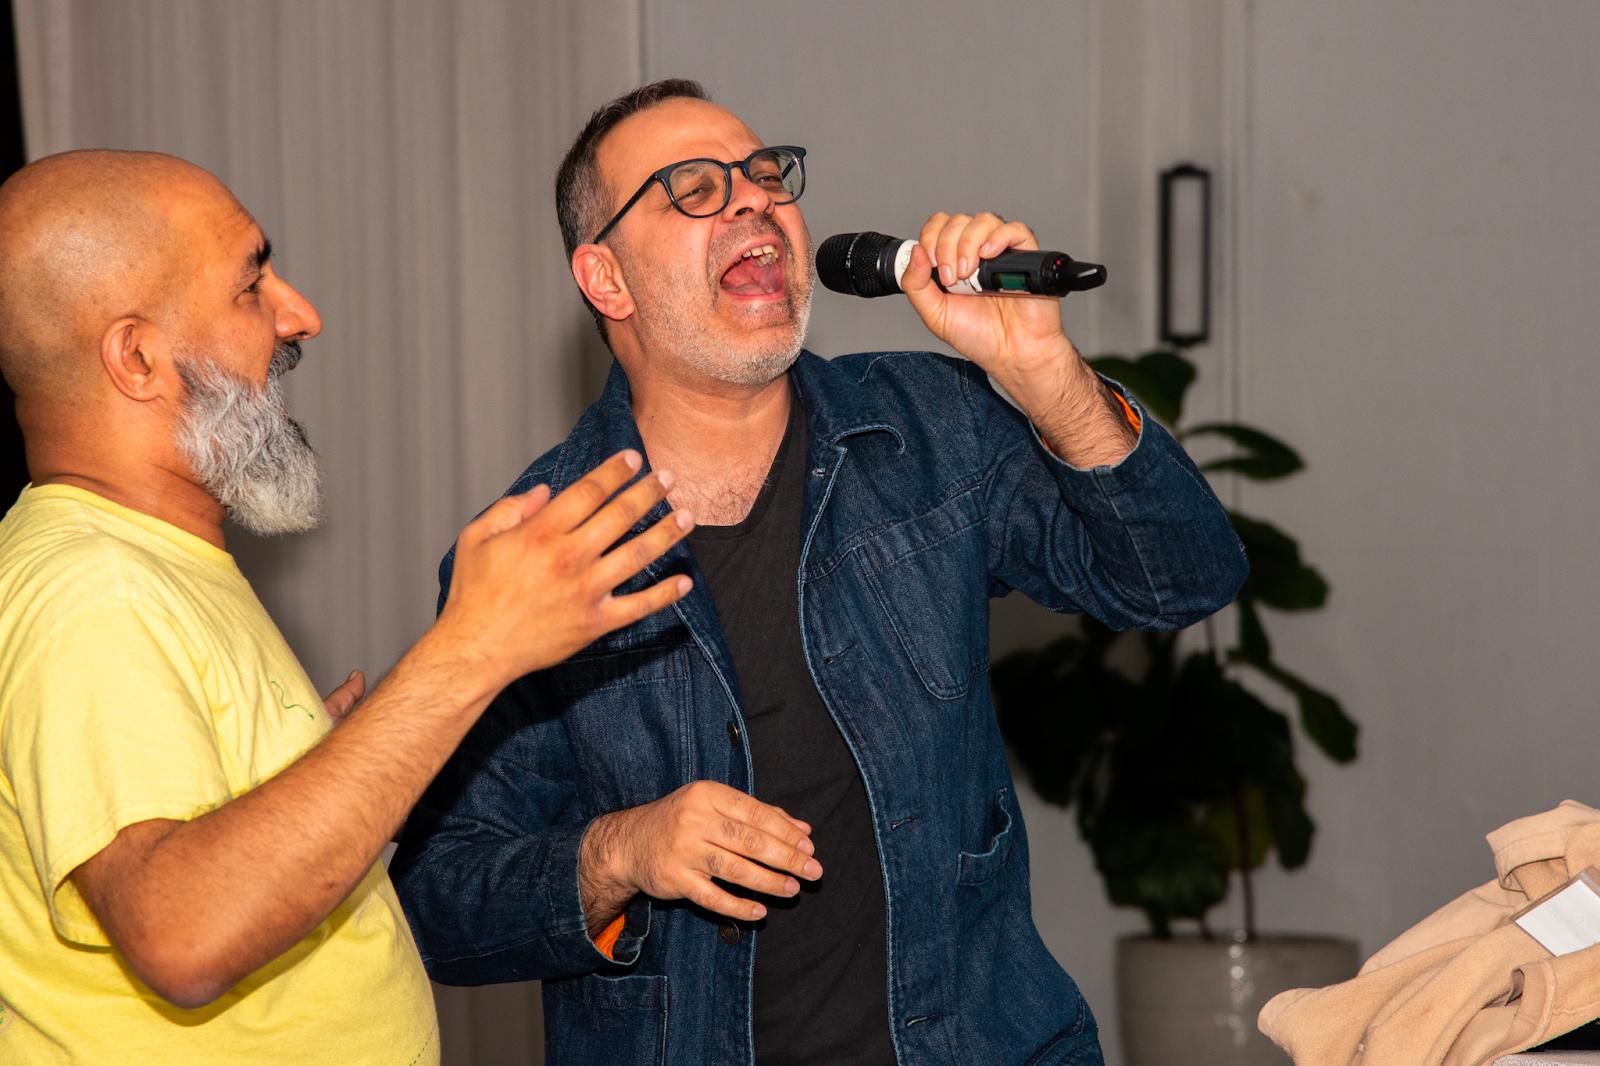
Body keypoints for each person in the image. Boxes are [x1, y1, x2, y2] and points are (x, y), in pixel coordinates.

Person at [391, 80, 1247, 1066]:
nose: (754, 200)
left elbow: (1182, 578)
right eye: (694, 189)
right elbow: (440, 903)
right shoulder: (533, 550)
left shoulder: (932, 427)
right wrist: (624, 851)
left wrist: (1047, 378)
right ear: (607, 279)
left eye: (765, 175)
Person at [0, 149, 693, 1065]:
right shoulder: (89, 586)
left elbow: (205, 859)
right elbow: (180, 932)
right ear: (136, 357)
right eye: (251, 286)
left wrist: (325, 771)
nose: (300, 315)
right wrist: (474, 647)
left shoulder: (153, 565)